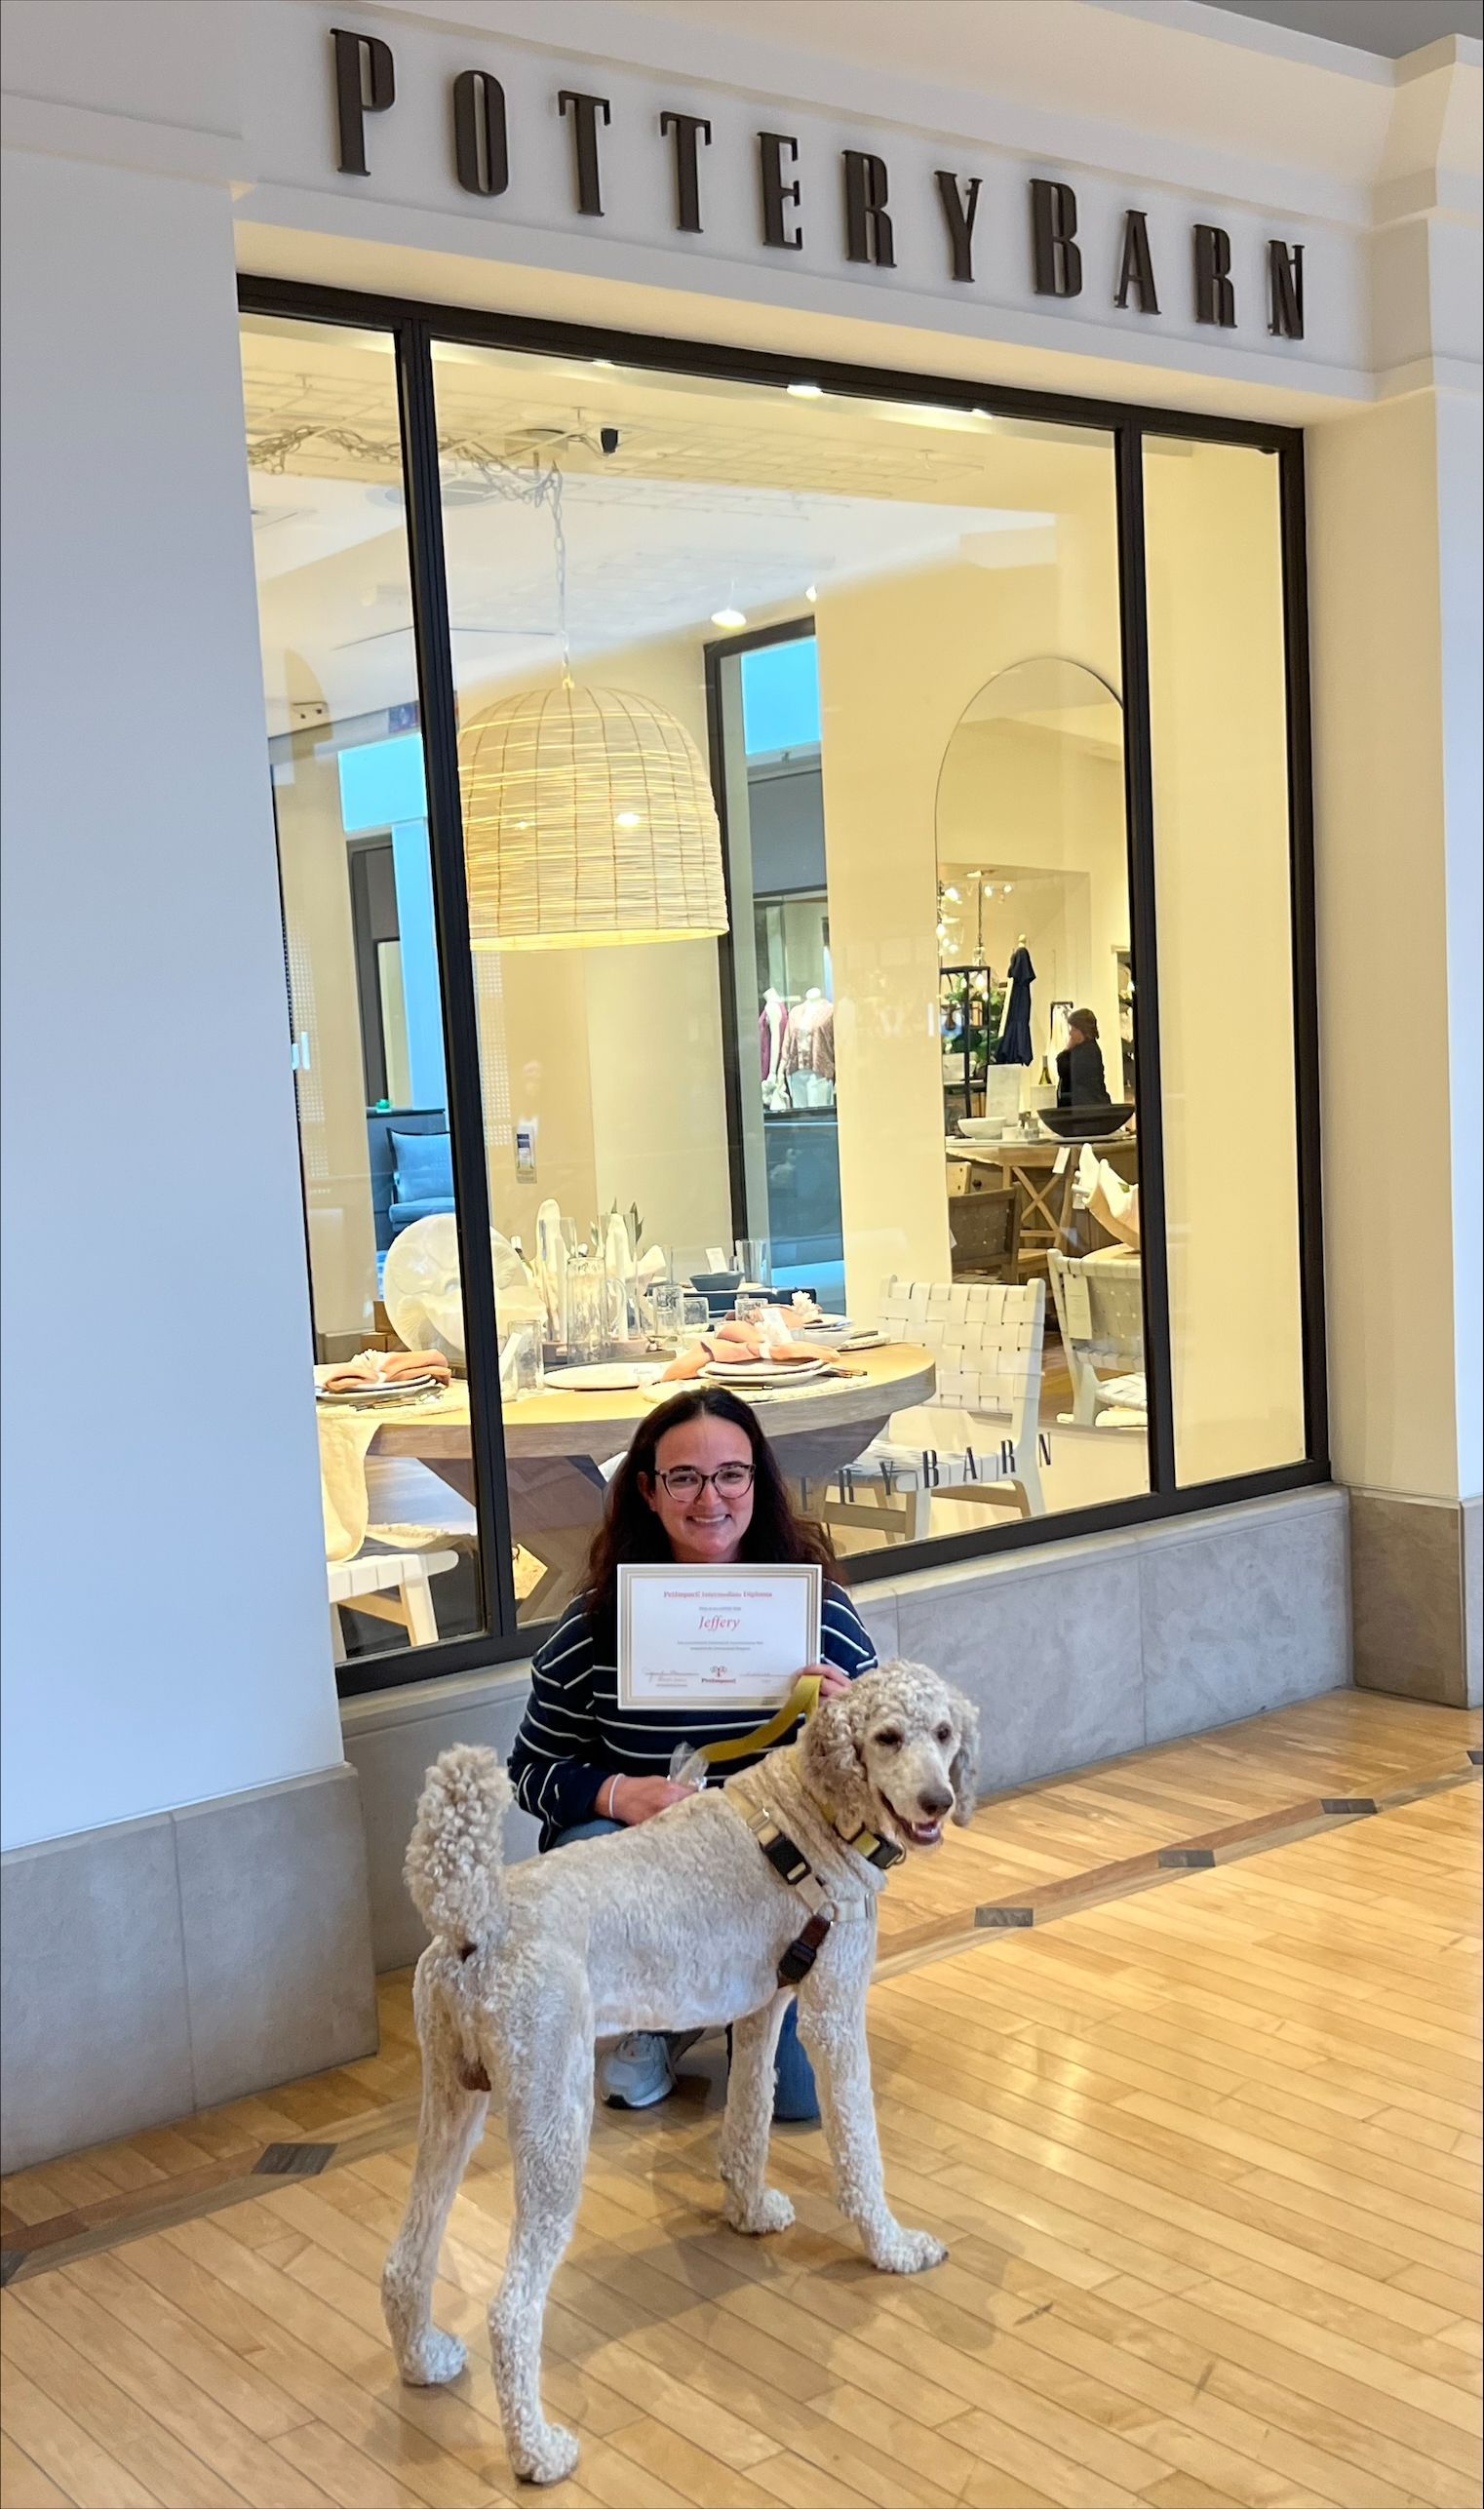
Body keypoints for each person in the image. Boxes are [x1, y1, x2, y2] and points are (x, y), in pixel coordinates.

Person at [508, 1385, 877, 2121]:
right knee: (587, 1841)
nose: (710, 1498)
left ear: (757, 1482)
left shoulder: (820, 1614)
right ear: (648, 1491)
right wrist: (620, 1793)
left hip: (779, 1881)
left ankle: (753, 2000)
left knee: (794, 2100)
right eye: (684, 1477)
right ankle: (655, 2017)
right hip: (657, 1876)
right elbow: (531, 1770)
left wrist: (855, 1725)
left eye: (731, 1474)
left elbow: (884, 1781)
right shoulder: (595, 1627)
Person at [1056, 1006, 1112, 1112]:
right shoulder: (1089, 1049)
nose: (1070, 1033)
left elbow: (1064, 1069)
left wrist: (1067, 1049)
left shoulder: (1085, 1053)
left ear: (1083, 1031)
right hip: (1090, 1108)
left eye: (1074, 1029)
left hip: (1086, 1111)